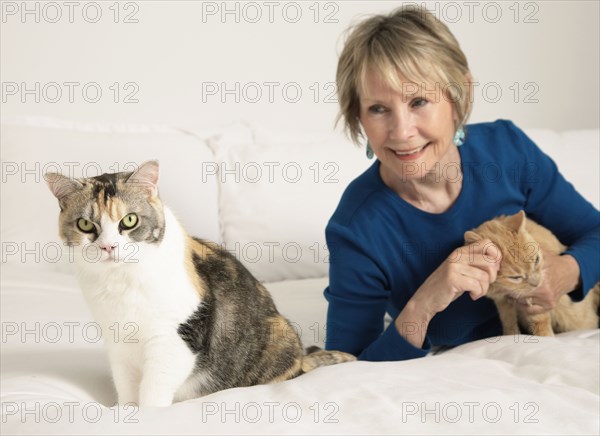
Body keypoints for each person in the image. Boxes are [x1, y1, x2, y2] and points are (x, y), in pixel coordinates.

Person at [324, 5, 600, 361]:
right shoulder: (357, 227)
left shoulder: (507, 150)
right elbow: (346, 364)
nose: (402, 132)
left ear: (460, 96)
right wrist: (422, 305)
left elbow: (594, 232)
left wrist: (566, 272)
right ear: (357, 115)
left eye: (419, 100)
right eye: (378, 108)